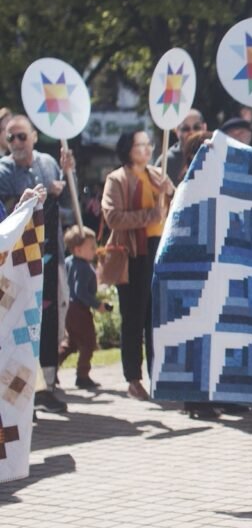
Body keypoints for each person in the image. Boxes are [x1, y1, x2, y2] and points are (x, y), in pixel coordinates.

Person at [0, 115, 74, 414]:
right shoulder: (3, 170)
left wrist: (69, 175)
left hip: (49, 251)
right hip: (17, 261)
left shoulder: (48, 162)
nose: (16, 143)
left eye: (21, 136)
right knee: (19, 324)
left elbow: (68, 200)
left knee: (49, 318)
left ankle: (47, 386)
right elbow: (7, 210)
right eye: (10, 138)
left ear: (33, 136)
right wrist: (43, 192)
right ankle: (19, 397)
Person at [102, 130, 174, 401]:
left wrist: (171, 192)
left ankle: (159, 375)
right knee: (134, 317)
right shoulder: (117, 179)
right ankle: (133, 378)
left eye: (148, 145)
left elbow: (172, 208)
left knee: (156, 318)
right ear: (127, 149)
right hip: (133, 253)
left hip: (159, 251)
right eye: (139, 145)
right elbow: (113, 217)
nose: (146, 150)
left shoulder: (157, 175)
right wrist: (148, 216)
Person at [58, 225, 113, 389]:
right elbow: (80, 292)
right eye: (91, 247)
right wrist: (98, 305)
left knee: (72, 342)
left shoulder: (68, 262)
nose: (95, 250)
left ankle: (51, 368)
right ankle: (82, 375)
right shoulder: (83, 267)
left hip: (68, 307)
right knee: (88, 342)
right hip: (79, 309)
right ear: (78, 249)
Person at [155, 109, 207, 185]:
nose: (192, 132)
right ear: (177, 131)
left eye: (196, 127)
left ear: (204, 127)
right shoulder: (166, 161)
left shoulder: (214, 154)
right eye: (185, 129)